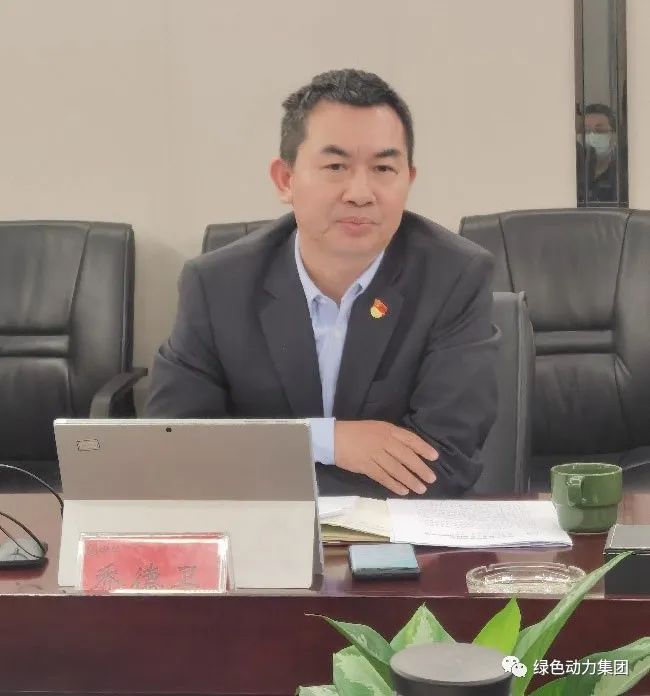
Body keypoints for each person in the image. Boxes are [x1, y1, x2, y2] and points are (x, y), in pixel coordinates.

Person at [146, 68, 499, 499]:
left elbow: (441, 461)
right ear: (285, 180)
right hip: (260, 534)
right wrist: (328, 440)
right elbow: (176, 443)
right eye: (335, 166)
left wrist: (260, 463)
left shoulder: (454, 277)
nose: (360, 193)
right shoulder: (217, 285)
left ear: (408, 179)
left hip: (399, 533)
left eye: (383, 168)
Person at [584, 103, 618, 204]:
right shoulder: (577, 169)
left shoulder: (622, 169)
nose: (592, 135)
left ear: (613, 134)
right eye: (586, 130)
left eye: (600, 130)